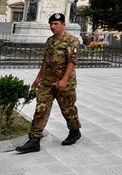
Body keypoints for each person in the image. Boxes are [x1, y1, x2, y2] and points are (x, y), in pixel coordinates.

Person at [16, 13, 82, 154]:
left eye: (56, 24)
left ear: (63, 25)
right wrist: (38, 78)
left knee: (68, 109)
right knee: (41, 109)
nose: (53, 27)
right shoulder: (49, 41)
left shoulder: (71, 40)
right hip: (47, 82)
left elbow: (72, 61)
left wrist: (64, 80)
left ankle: (75, 131)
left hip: (64, 83)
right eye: (51, 24)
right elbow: (45, 62)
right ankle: (34, 140)